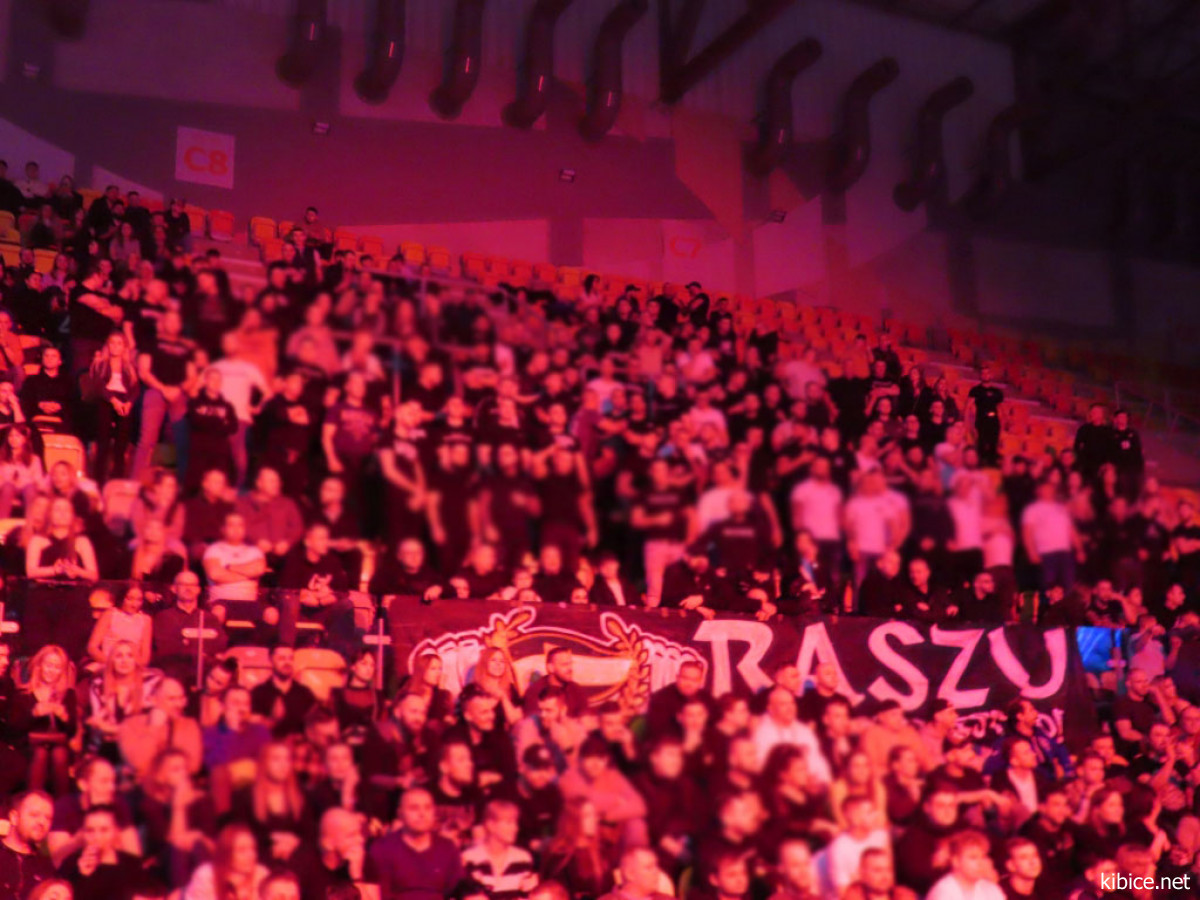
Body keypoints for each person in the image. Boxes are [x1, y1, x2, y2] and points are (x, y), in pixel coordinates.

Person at [369, 787, 465, 900]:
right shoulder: (382, 848)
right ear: (400, 813)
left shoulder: (447, 848)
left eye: (427, 808)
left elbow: (457, 892)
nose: (422, 814)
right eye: (414, 808)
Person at [181, 823, 270, 900]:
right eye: (242, 850)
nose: (251, 855)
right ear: (226, 853)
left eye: (253, 849)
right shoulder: (206, 876)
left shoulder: (261, 875)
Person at [0, 791, 56, 900]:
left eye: (48, 818)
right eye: (35, 815)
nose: (42, 822)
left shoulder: (46, 868)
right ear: (14, 817)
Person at [925, 830, 1005, 900]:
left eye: (983, 857)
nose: (980, 863)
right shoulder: (943, 892)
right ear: (955, 861)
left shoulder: (991, 890)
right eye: (973, 857)